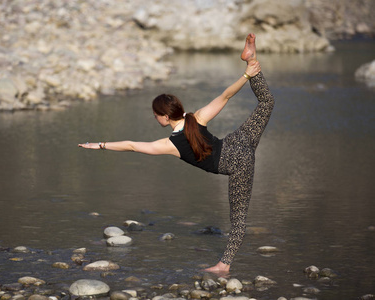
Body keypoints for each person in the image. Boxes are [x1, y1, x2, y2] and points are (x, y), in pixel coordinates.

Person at [78, 33, 274, 274]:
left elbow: (130, 145)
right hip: (237, 143)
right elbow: (226, 95)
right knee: (266, 103)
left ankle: (224, 265)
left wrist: (99, 145)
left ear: (165, 116)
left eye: (156, 114)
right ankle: (250, 59)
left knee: (239, 220)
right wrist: (246, 75)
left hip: (238, 163)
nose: (154, 117)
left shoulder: (170, 144)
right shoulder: (197, 117)